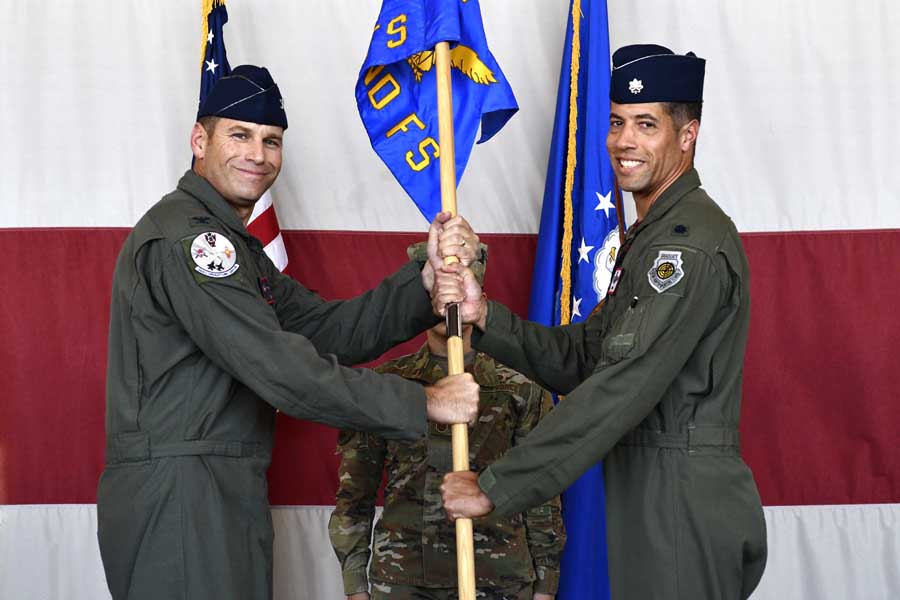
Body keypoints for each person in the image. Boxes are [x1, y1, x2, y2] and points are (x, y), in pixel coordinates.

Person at [96, 65, 481, 600]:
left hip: (219, 486)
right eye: (239, 135)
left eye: (270, 140)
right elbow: (280, 369)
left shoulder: (237, 247)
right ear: (198, 140)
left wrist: (423, 282)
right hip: (183, 494)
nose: (258, 154)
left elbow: (327, 330)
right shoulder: (191, 242)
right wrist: (423, 402)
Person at [434, 45, 768, 600]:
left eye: (645, 124)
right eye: (616, 123)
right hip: (651, 491)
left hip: (680, 497)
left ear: (687, 136)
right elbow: (587, 358)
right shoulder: (653, 233)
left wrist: (497, 486)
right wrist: (484, 314)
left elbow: (622, 386)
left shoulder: (685, 248)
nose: (623, 141)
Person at [328, 243, 566, 600]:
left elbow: (540, 493)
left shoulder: (520, 386)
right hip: (403, 580)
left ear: (478, 294)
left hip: (498, 579)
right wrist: (355, 587)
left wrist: (545, 587)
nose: (448, 304)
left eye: (459, 288)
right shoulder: (386, 386)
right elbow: (354, 495)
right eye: (440, 290)